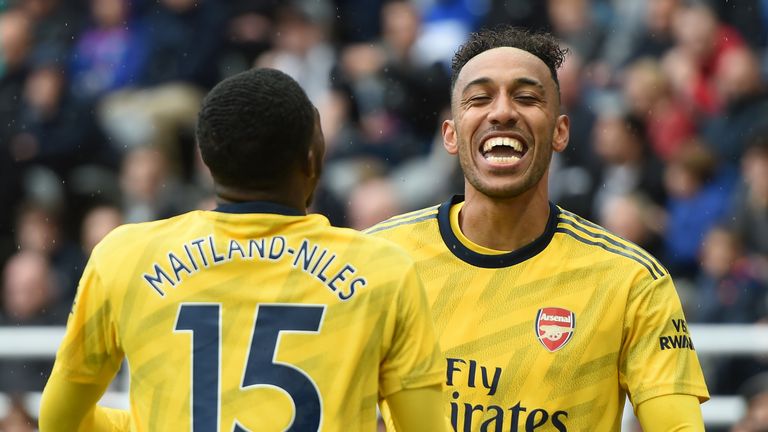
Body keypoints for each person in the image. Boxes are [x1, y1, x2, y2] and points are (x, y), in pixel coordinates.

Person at [39, 68, 447, 431]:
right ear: (312, 159)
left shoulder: (123, 256)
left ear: (207, 159)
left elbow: (58, 420)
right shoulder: (385, 270)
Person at [367, 26, 710, 431]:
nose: (502, 112)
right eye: (479, 98)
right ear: (451, 135)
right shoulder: (380, 262)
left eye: (527, 97)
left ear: (561, 132)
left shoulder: (633, 281)